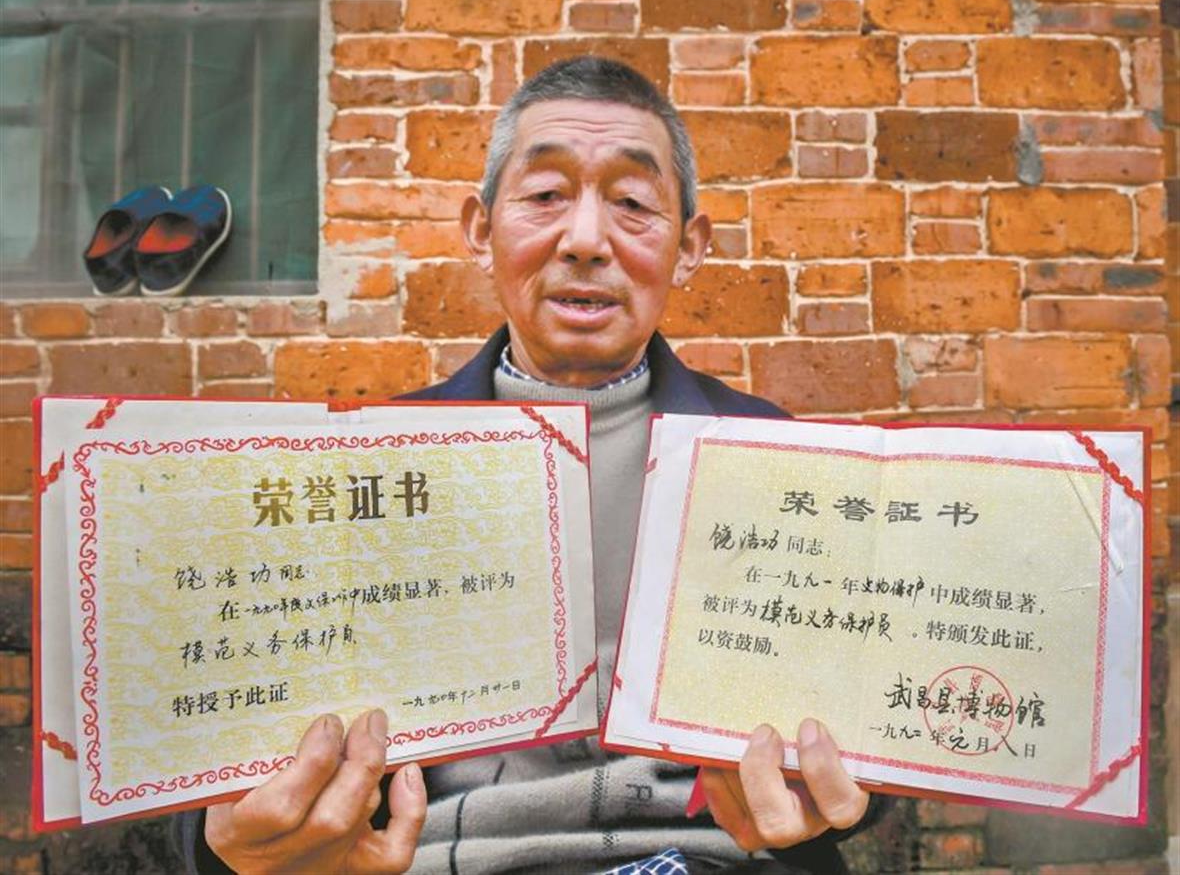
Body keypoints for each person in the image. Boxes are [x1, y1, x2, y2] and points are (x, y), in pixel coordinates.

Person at [177, 56, 890, 875]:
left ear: (689, 248)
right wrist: (232, 843)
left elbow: (863, 746)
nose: (585, 240)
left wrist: (841, 795)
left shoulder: (780, 460)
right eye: (546, 195)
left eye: (632, 203)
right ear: (481, 232)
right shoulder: (365, 469)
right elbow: (228, 767)